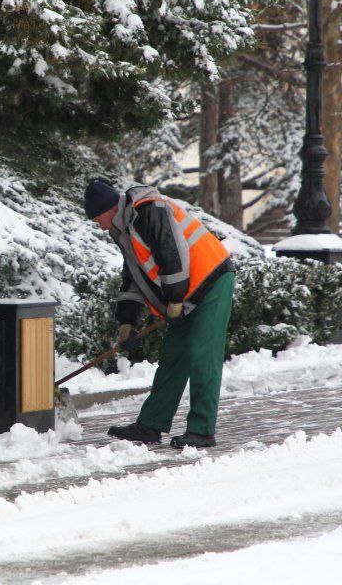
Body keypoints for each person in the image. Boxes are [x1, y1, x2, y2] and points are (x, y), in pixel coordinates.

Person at [84, 178, 235, 448]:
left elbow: (172, 253)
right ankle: (151, 425)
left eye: (98, 219)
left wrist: (175, 299)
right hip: (186, 292)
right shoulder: (124, 228)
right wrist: (127, 321)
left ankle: (201, 430)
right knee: (173, 358)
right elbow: (134, 277)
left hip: (211, 280)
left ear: (109, 209)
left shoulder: (148, 210)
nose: (100, 225)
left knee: (203, 355)